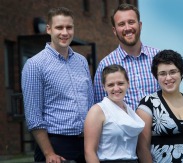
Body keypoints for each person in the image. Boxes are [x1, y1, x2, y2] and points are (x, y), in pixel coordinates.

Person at [21, 7, 94, 163]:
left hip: (85, 144)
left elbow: (90, 102)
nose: (65, 32)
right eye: (59, 27)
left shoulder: (81, 61)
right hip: (55, 146)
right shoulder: (35, 65)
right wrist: (49, 154)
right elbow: (33, 116)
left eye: (69, 27)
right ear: (49, 29)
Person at [136, 50, 183, 163]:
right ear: (156, 76)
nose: (168, 78)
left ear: (181, 73)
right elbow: (142, 148)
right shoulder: (148, 104)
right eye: (162, 73)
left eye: (173, 72)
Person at [94, 3, 160, 110]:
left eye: (131, 22)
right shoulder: (105, 65)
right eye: (121, 24)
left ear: (140, 25)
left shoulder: (158, 58)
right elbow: (100, 105)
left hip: (157, 126)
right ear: (115, 31)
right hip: (124, 127)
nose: (127, 28)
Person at [84, 64, 145, 163]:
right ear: (104, 87)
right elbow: (89, 152)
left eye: (120, 83)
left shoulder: (130, 111)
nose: (116, 88)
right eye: (111, 85)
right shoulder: (97, 111)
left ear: (128, 84)